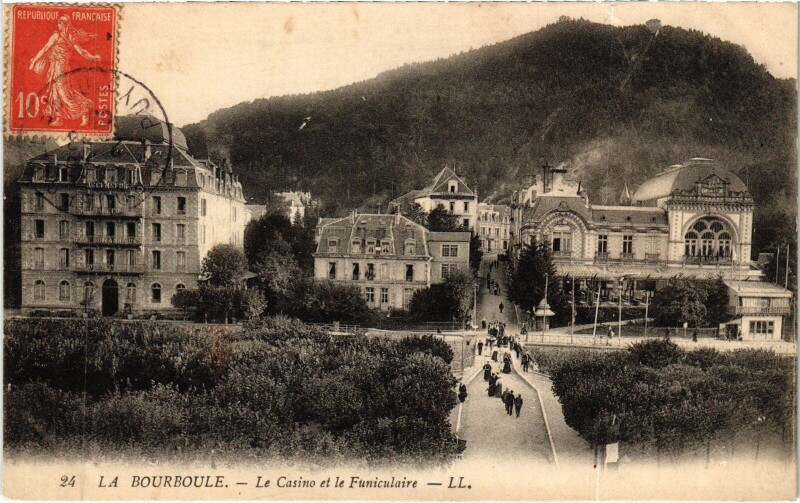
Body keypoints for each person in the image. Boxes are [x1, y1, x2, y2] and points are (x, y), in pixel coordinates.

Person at [28, 15, 102, 127]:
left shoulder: (63, 36)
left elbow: (81, 51)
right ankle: (58, 118)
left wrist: (93, 58)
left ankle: (84, 109)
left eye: (60, 22)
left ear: (66, 24)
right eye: (58, 22)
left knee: (63, 91)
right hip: (54, 66)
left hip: (61, 66)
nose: (58, 24)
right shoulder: (59, 36)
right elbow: (45, 49)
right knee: (55, 91)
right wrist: (34, 61)